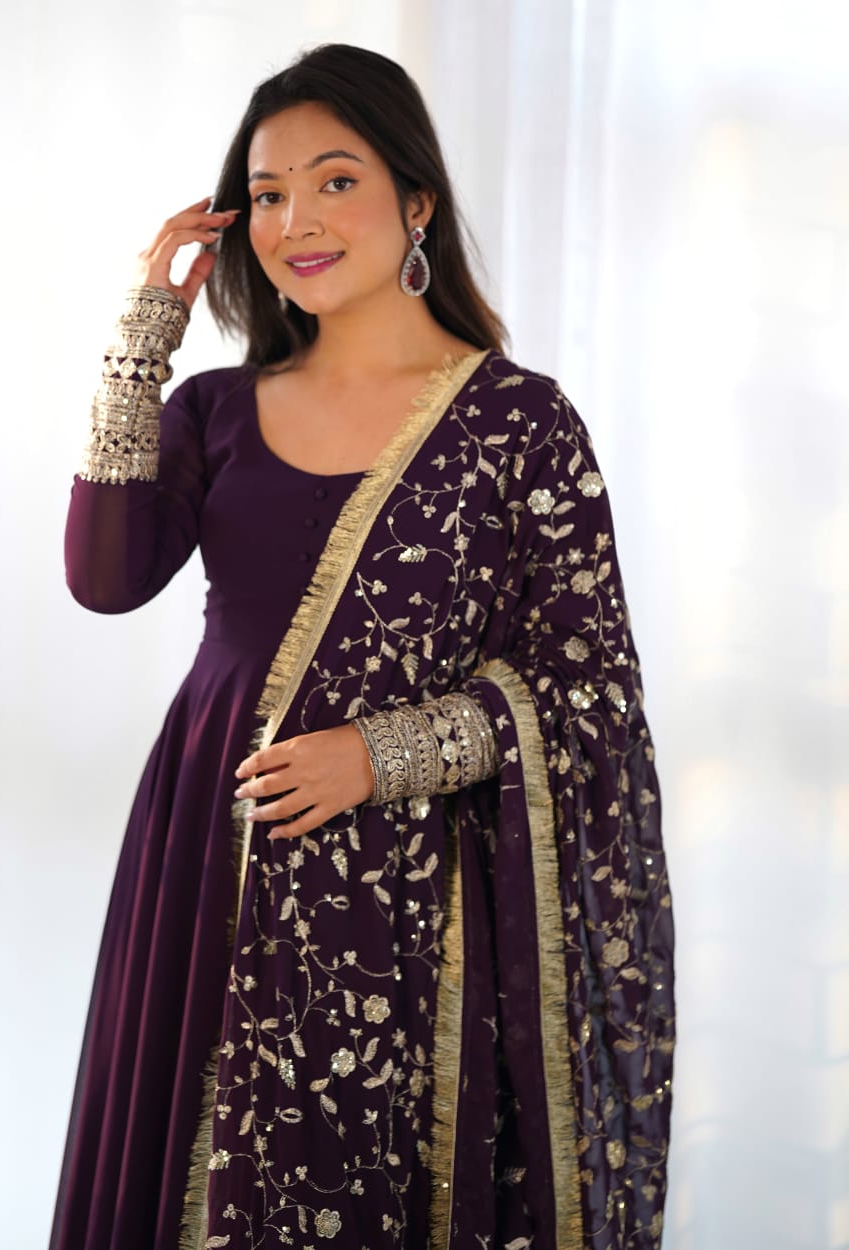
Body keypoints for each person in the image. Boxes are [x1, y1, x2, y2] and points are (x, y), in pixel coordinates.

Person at [50, 43, 674, 1250]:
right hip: (212, 844)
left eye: (335, 181)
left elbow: (589, 692)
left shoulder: (519, 423)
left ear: (416, 198)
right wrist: (144, 330)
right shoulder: (216, 409)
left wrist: (381, 754)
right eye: (268, 193)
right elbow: (102, 577)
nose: (297, 220)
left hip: (414, 883)